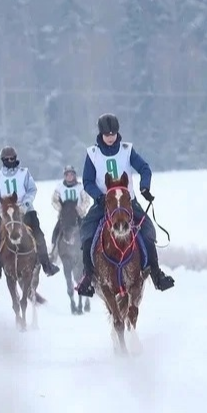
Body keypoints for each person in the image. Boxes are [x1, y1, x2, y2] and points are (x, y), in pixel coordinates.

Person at [75, 113, 175, 297]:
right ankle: (88, 277)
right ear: (101, 134)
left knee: (147, 231)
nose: (111, 137)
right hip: (103, 203)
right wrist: (98, 196)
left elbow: (144, 168)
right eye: (107, 134)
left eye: (113, 134)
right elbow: (88, 181)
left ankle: (156, 274)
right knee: (87, 231)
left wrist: (145, 187)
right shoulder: (93, 154)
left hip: (127, 203)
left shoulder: (127, 150)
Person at [0, 145, 60, 277]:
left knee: (38, 234)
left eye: (12, 158)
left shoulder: (24, 173)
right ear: (2, 160)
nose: (10, 161)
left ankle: (46, 265)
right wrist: (1, 210)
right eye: (7, 159)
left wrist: (25, 204)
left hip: (25, 211)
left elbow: (32, 189)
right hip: (7, 214)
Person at [49, 164, 91, 260]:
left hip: (78, 215)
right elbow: (54, 200)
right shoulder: (59, 188)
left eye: (71, 174)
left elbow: (86, 200)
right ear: (64, 176)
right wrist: (61, 209)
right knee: (56, 232)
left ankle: (88, 251)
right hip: (64, 217)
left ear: (74, 175)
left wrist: (80, 209)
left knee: (86, 231)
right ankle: (53, 252)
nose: (69, 177)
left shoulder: (80, 187)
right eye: (67, 175)